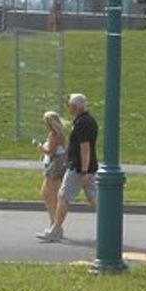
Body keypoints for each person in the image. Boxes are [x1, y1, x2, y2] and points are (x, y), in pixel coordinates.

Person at [40, 93, 98, 242]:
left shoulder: (81, 123)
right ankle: (106, 229)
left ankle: (56, 230)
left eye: (70, 106)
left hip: (79, 168)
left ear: (76, 106)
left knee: (63, 196)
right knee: (94, 198)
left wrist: (84, 171)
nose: (68, 108)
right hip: (89, 166)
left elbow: (85, 148)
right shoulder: (89, 120)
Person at [34, 110, 68, 231]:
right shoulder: (59, 134)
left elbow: (50, 152)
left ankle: (55, 225)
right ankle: (54, 224)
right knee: (49, 194)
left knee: (49, 195)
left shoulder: (54, 135)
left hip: (55, 165)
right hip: (57, 165)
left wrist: (39, 146)